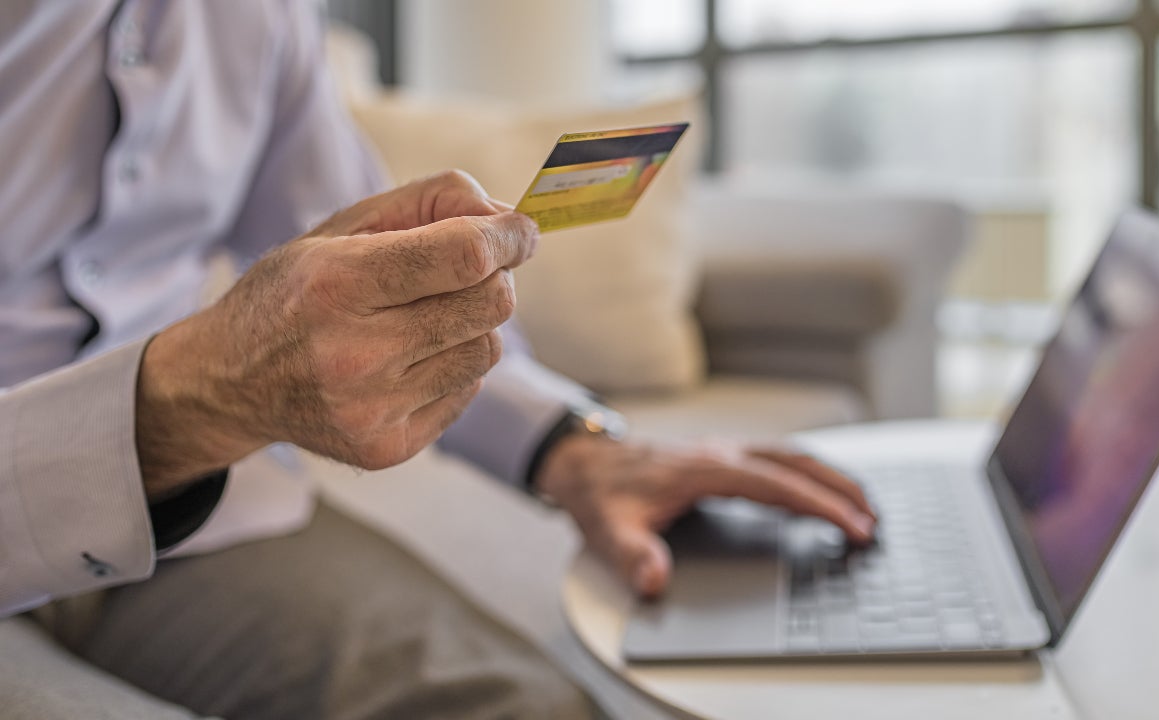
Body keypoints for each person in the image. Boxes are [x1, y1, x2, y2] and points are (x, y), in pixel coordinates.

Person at [0, 2, 878, 718]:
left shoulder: (259, 21)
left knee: (532, 710)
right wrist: (190, 402)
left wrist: (581, 451)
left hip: (199, 519)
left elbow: (359, 273)